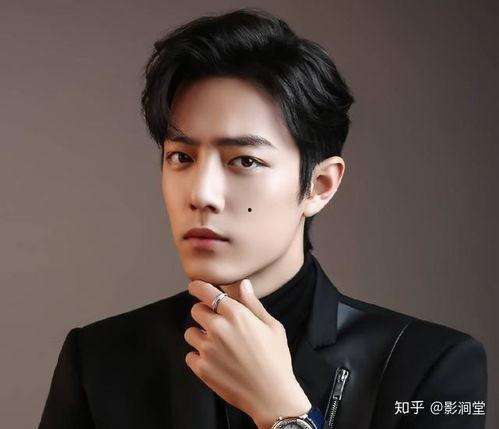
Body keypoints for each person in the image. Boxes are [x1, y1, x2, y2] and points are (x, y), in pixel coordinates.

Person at [37, 7, 487, 429]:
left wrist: (284, 414)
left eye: (245, 161)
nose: (201, 194)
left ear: (319, 185)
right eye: (181, 157)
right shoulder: (99, 359)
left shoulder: (431, 366)